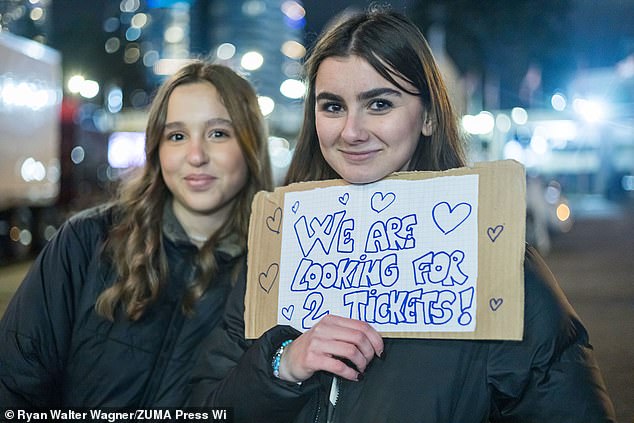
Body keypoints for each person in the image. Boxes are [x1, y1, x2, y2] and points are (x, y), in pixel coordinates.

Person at [188, 9, 616, 422]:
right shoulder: (275, 255)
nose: (351, 131)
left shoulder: (499, 269)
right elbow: (203, 407)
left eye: (379, 104)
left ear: (428, 116)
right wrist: (282, 364)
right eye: (333, 106)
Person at [0, 61, 273, 407]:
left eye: (218, 133)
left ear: (251, 146)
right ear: (157, 150)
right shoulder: (87, 240)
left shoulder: (269, 277)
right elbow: (13, 381)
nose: (195, 155)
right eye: (176, 136)